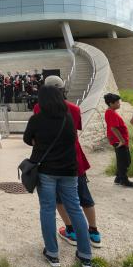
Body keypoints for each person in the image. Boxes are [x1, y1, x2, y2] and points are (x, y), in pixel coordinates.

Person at [24, 85, 92, 267]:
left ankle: (53, 253)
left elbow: (26, 139)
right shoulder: (68, 119)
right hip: (69, 170)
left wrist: (38, 142)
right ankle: (85, 255)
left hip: (46, 171)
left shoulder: (37, 120)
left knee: (47, 210)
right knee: (75, 209)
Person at [34, 76, 102, 249]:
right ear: (63, 89)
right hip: (74, 159)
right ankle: (93, 232)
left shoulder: (38, 108)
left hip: (50, 161)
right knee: (83, 196)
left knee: (58, 199)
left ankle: (71, 230)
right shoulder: (74, 108)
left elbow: (37, 135)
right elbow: (75, 131)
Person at [103, 93, 133, 188]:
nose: (119, 104)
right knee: (125, 160)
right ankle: (124, 180)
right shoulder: (111, 113)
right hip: (118, 140)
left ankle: (118, 178)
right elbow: (113, 128)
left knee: (122, 159)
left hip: (117, 140)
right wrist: (122, 141)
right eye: (117, 102)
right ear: (111, 103)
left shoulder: (110, 112)